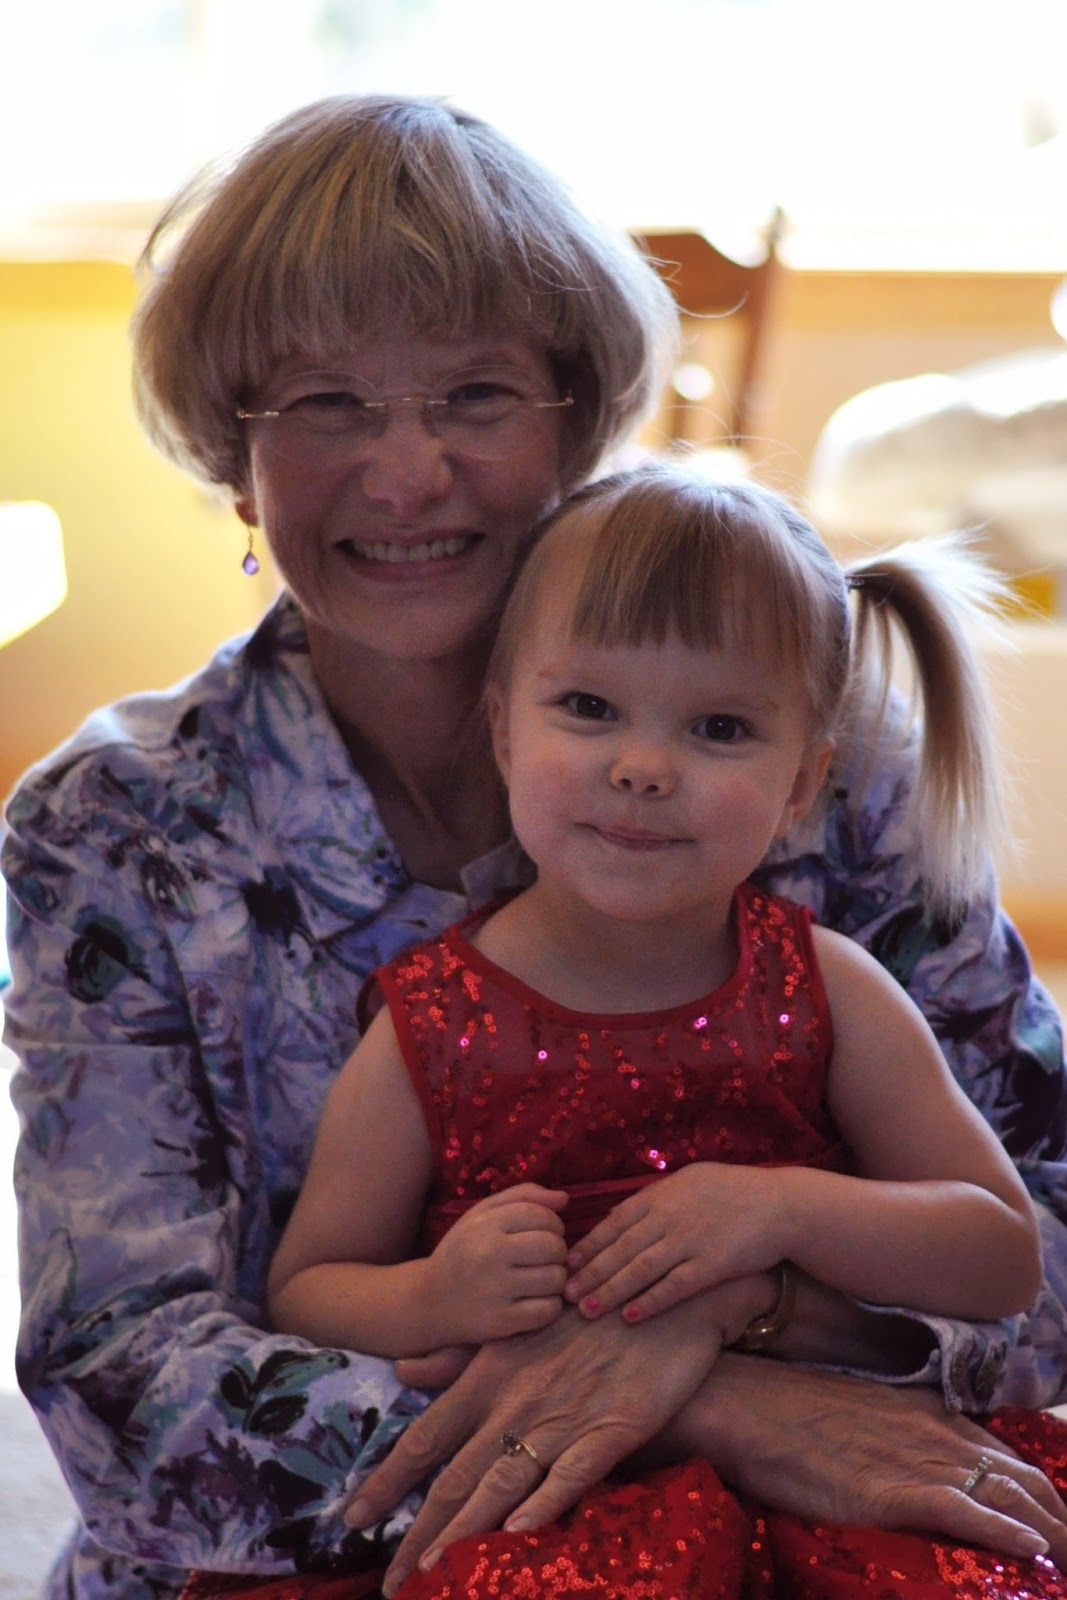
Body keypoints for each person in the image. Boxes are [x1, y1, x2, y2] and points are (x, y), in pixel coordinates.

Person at [3, 94, 1067, 1600]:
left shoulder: (817, 759)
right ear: (234, 460)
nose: (406, 472)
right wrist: (700, 1403)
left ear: (575, 425)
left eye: (477, 394)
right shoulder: (114, 827)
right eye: (324, 402)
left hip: (825, 1528)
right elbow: (126, 1391)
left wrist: (737, 1304)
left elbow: (1043, 1241)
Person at [183, 467, 1057, 1600]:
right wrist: (434, 1294)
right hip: (547, 1507)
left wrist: (782, 1209)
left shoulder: (829, 988)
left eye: (719, 728)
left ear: (803, 783)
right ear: (501, 732)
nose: (643, 767)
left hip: (831, 1467)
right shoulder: (428, 1024)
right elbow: (307, 1287)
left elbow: (1001, 1252)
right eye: (589, 708)